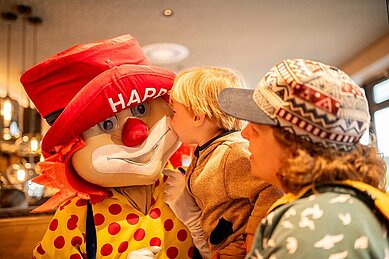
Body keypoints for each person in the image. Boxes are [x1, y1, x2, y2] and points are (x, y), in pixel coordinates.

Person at [20, 34, 195, 258]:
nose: (137, 133)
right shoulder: (77, 215)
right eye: (107, 124)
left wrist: (198, 223)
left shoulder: (190, 185)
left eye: (141, 109)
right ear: (69, 150)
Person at [217, 58, 389, 258]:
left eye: (256, 129)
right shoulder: (341, 205)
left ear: (295, 147)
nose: (245, 134)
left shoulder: (314, 224)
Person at [164, 67, 283, 258]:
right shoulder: (207, 151)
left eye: (174, 111)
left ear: (197, 117)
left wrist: (253, 237)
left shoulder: (231, 153)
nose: (170, 118)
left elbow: (273, 188)